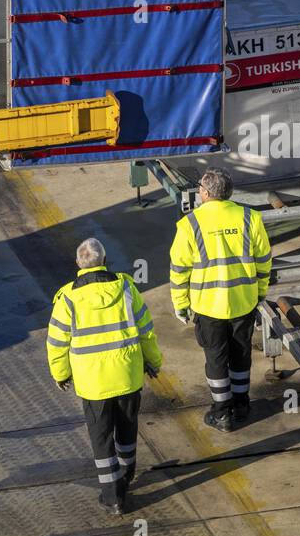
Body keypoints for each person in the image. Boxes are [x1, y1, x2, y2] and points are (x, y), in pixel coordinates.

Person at [47, 238, 163, 515]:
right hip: (127, 375)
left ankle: (113, 497)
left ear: (79, 264)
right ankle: (127, 473)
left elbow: (56, 343)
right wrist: (153, 361)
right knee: (127, 428)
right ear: (105, 260)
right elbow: (146, 330)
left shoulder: (67, 299)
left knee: (101, 438)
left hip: (93, 384)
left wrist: (61, 373)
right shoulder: (126, 289)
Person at [169, 168, 271, 433]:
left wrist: (180, 303)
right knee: (241, 355)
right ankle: (241, 404)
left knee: (216, 358)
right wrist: (260, 292)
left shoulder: (190, 224)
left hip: (208, 305)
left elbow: (180, 269)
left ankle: (222, 412)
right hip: (243, 301)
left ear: (205, 193)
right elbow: (263, 259)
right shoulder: (250, 218)